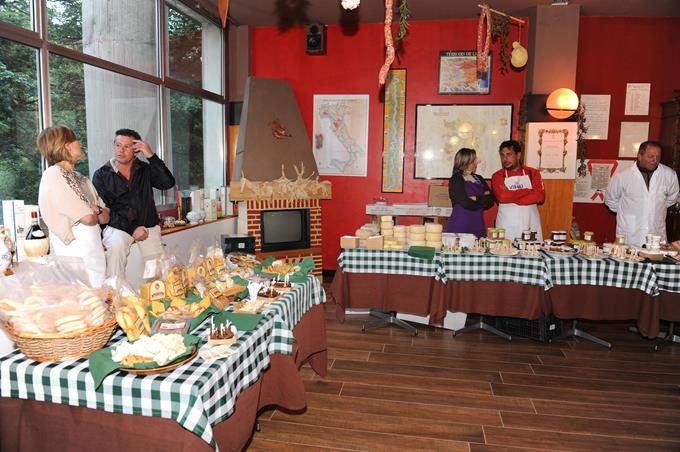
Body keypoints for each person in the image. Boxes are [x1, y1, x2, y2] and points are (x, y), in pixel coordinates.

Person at [92, 129, 175, 279]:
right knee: (116, 249)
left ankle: (155, 291)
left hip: (147, 225)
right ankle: (114, 290)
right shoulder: (101, 175)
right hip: (118, 226)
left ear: (136, 150)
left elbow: (167, 182)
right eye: (118, 145)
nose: (120, 150)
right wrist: (132, 229)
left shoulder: (145, 169)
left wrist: (151, 155)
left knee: (157, 272)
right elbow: (105, 211)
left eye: (126, 147)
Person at [37, 125, 109, 287]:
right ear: (67, 145)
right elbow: (88, 218)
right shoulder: (54, 174)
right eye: (76, 140)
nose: (80, 143)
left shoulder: (81, 178)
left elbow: (105, 216)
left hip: (93, 251)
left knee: (99, 295)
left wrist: (95, 211)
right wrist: (94, 211)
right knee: (85, 298)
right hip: (74, 254)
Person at [605, 140, 679, 246]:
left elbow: (672, 198)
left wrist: (654, 208)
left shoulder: (669, 175)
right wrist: (627, 212)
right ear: (639, 156)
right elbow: (610, 200)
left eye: (658, 157)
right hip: (630, 235)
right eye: (651, 156)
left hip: (656, 236)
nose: (655, 160)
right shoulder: (622, 176)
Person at [491, 140, 545, 240]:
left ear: (518, 155)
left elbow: (540, 197)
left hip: (530, 223)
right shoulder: (497, 176)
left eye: (509, 154)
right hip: (507, 224)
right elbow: (502, 197)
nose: (505, 159)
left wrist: (511, 196)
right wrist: (528, 191)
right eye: (502, 155)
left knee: (531, 248)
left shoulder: (533, 173)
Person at [447, 148, 495, 237]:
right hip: (461, 224)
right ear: (466, 162)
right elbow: (465, 202)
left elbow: (491, 200)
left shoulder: (479, 178)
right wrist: (482, 199)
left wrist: (475, 198)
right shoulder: (456, 179)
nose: (477, 162)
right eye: (474, 160)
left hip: (478, 223)